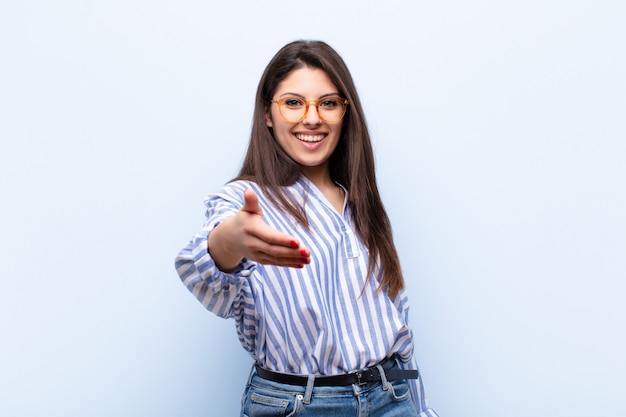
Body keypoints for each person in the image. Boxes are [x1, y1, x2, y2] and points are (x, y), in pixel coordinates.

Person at [175, 40, 439, 417]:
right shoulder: (245, 199)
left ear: (345, 114)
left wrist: (422, 409)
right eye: (293, 102)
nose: (312, 118)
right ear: (268, 113)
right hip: (300, 405)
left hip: (390, 399)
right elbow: (205, 267)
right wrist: (231, 241)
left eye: (328, 103)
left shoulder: (361, 205)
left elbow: (400, 325)